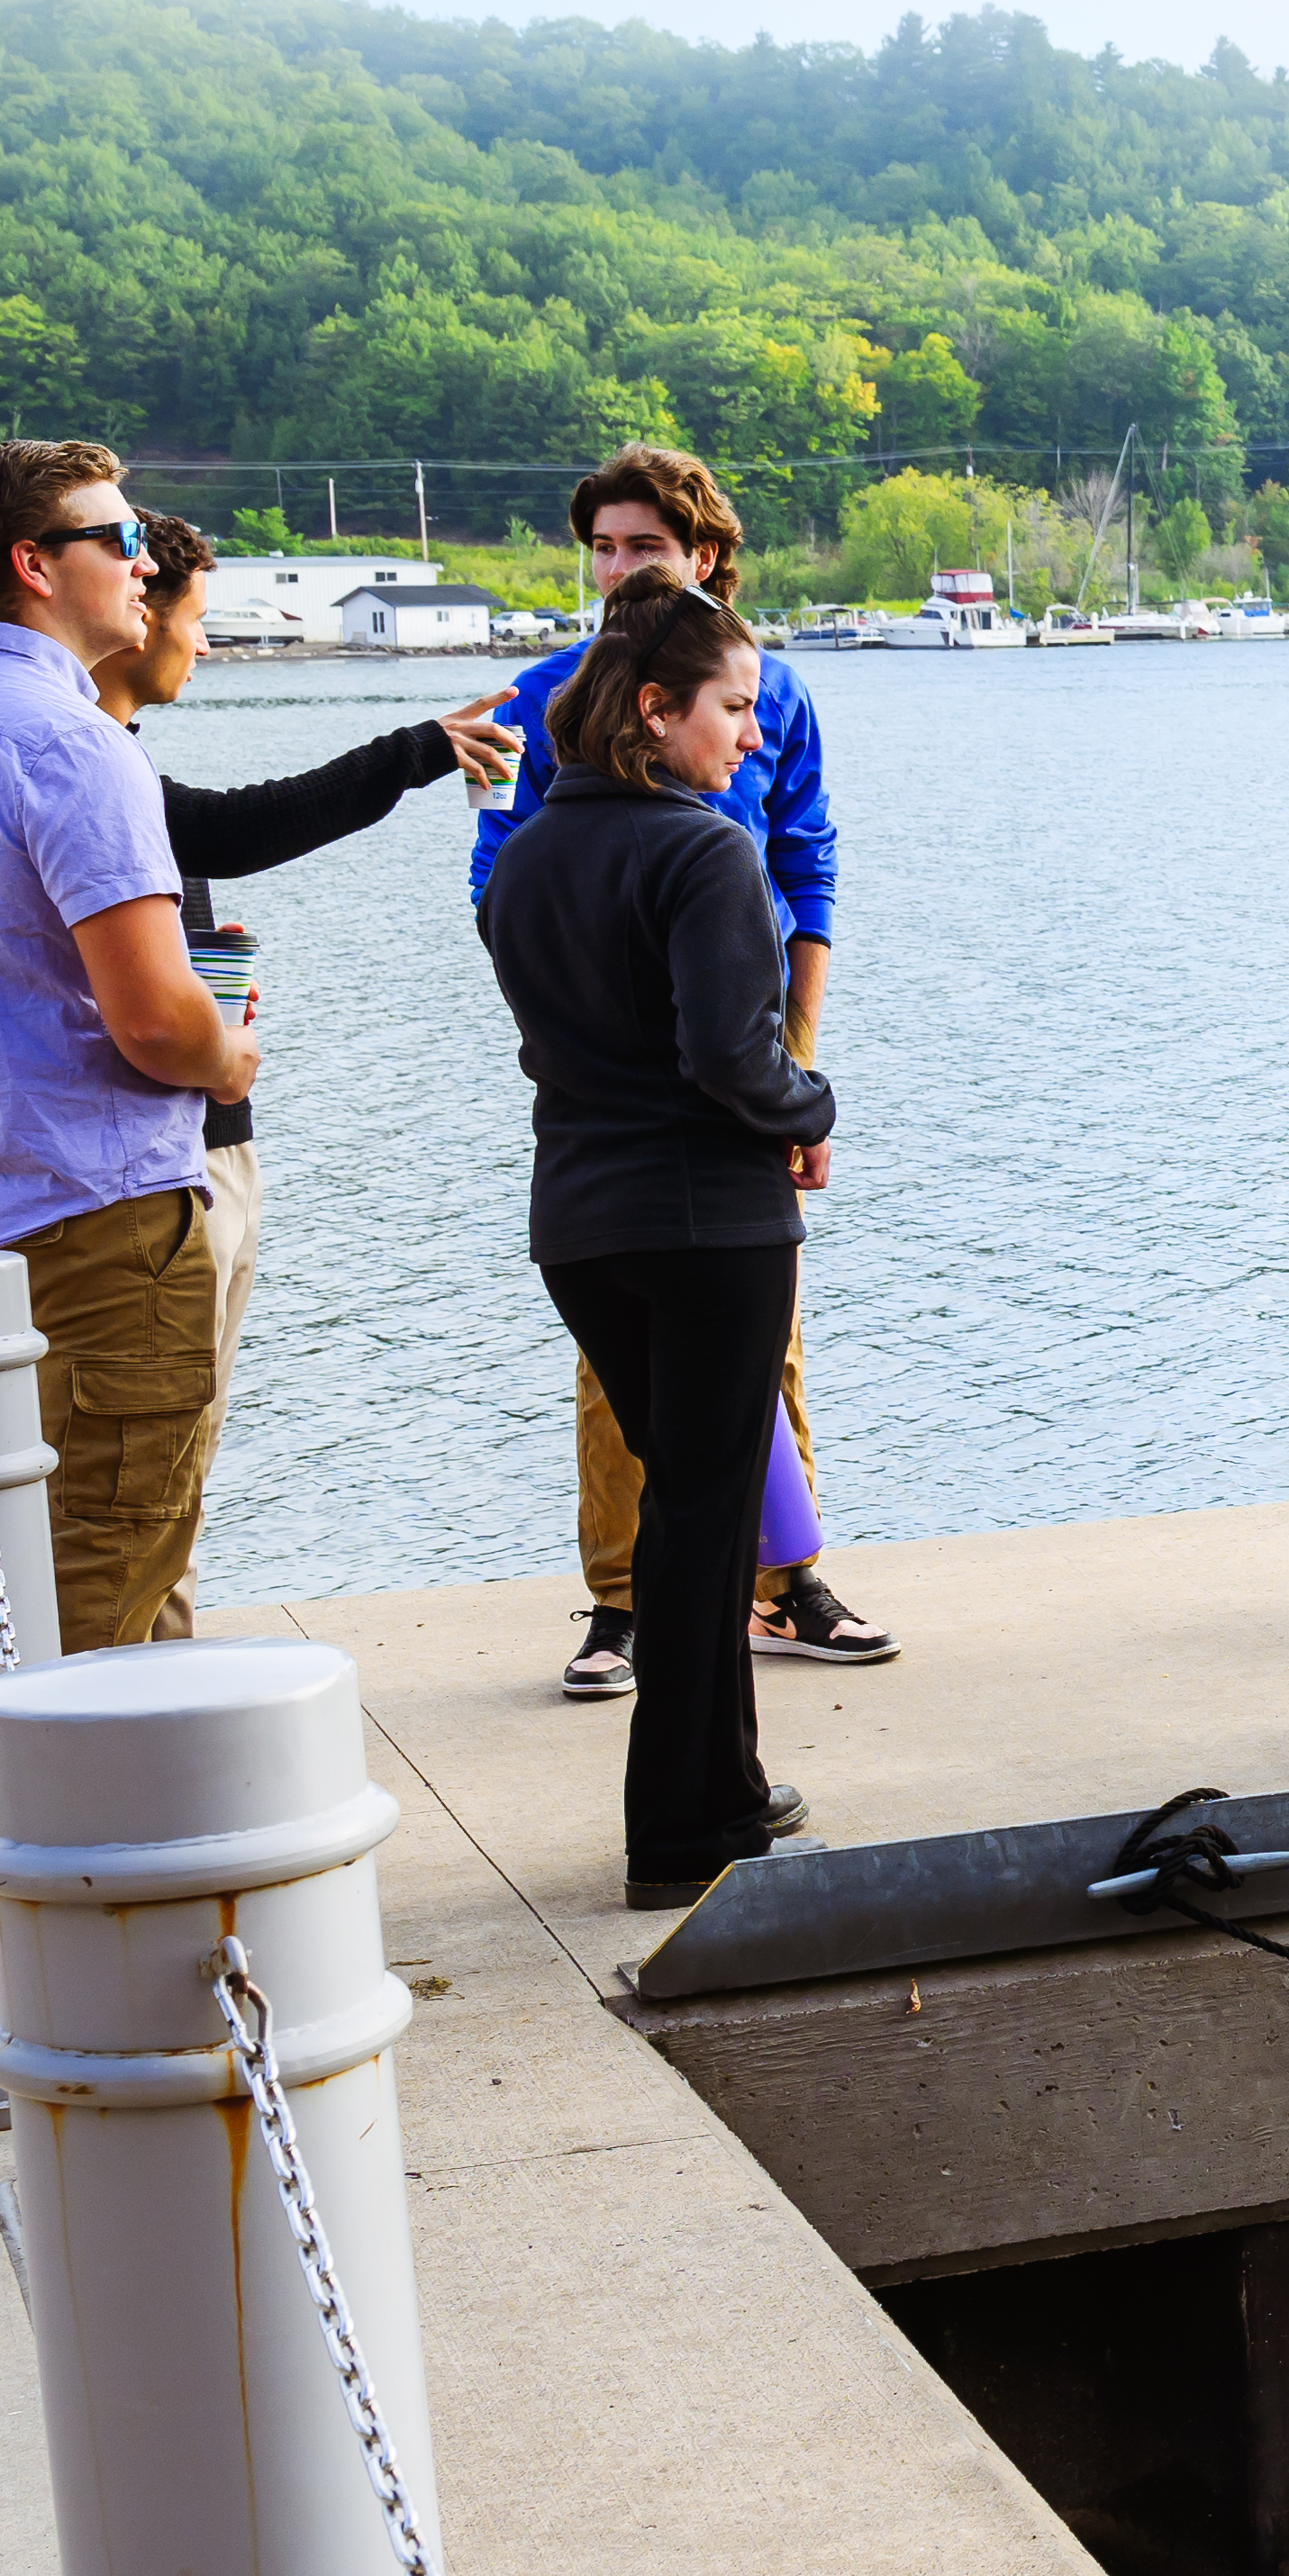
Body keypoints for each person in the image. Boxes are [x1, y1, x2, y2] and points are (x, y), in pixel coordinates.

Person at [471, 447, 891, 1690]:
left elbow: (805, 871)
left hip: (750, 1040)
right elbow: (501, 892)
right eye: (599, 547)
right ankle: (623, 1596)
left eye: (641, 548)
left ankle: (785, 1577)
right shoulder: (540, 702)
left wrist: (792, 1058)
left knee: (768, 1323)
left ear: (702, 557)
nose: (615, 571)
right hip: (621, 1065)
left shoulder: (765, 695)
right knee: (629, 1344)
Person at [478, 573, 844, 1908]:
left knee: (692, 1498)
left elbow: (568, 1035)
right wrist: (814, 1104)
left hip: (579, 1219)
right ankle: (674, 1827)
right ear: (654, 710)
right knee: (702, 1516)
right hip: (705, 1221)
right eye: (734, 709)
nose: (749, 736)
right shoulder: (700, 849)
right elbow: (731, 1060)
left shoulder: (524, 856)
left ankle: (730, 1788)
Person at [0, 440, 249, 1650]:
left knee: (19, 1558)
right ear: (34, 563)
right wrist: (227, 1052)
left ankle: (69, 1809)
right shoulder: (72, 744)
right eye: (117, 538)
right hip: (102, 1218)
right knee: (107, 1570)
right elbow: (151, 1019)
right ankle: (81, 1824)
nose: (144, 561)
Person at [95, 514, 510, 1629]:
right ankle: (136, 1709)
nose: (202, 646)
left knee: (174, 1443)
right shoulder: (86, 754)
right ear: (134, 615)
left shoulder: (81, 748)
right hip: (166, 1154)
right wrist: (417, 751)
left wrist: (200, 980)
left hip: (180, 1139)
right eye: (191, 621)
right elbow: (237, 827)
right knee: (160, 1452)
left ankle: (146, 1684)